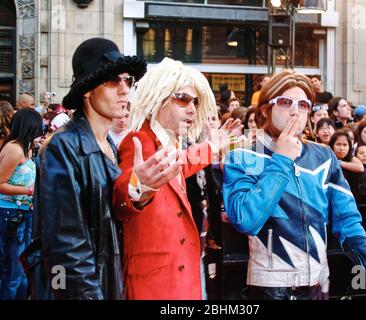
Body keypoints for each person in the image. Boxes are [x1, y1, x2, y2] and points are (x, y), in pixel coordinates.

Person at [222, 69, 366, 300]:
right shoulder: (243, 157)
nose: (295, 111)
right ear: (265, 109)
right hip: (270, 288)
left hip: (318, 284)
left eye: (303, 104)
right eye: (285, 102)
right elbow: (245, 220)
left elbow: (348, 220)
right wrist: (282, 160)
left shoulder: (324, 156)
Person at [20, 37, 147, 300]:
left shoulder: (111, 145)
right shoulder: (63, 147)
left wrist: (141, 190)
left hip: (110, 283)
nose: (125, 90)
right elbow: (65, 249)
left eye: (128, 81)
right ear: (88, 90)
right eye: (114, 81)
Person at [113, 57, 241, 300]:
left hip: (178, 276)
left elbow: (180, 165)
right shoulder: (139, 140)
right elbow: (122, 198)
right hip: (155, 282)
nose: (192, 108)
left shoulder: (166, 142)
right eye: (182, 99)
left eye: (195, 101)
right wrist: (137, 188)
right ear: (158, 99)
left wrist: (212, 147)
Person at [0, 108, 42, 300]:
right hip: (10, 214)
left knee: (21, 270)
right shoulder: (15, 149)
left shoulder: (25, 147)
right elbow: (0, 184)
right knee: (15, 272)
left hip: (23, 213)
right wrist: (29, 191)